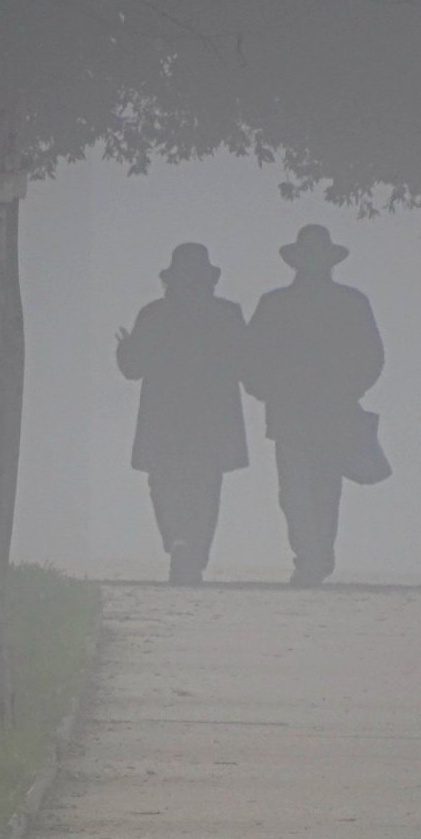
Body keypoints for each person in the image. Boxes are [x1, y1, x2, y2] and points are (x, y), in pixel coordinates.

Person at [244, 224, 385, 585]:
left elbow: (371, 357)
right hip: (307, 409)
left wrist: (346, 390)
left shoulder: (285, 304)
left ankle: (313, 553)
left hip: (314, 409)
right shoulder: (339, 302)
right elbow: (252, 358)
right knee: (307, 488)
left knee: (311, 486)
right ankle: (313, 553)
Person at [117, 243, 248, 584]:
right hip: (213, 418)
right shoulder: (227, 314)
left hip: (164, 418)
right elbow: (244, 363)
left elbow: (133, 367)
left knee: (164, 482)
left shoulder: (154, 314)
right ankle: (193, 550)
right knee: (205, 485)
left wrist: (125, 348)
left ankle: (179, 542)